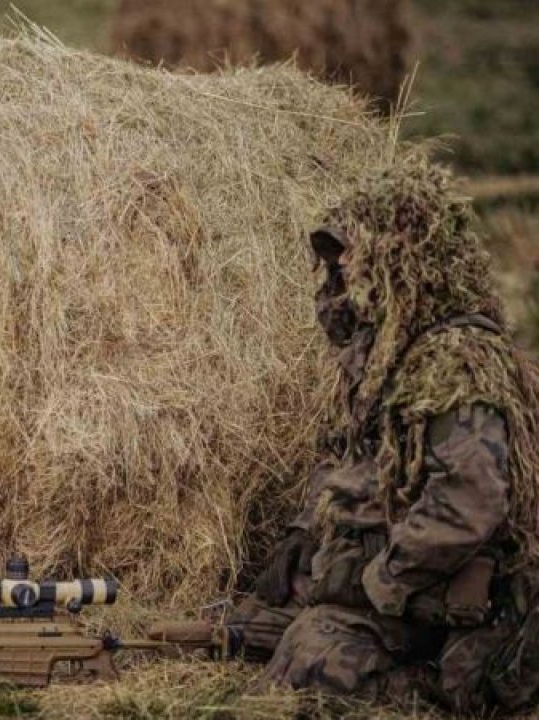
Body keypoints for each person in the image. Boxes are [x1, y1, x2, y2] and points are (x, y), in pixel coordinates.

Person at [226, 164, 539, 711]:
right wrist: (307, 537)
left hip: (465, 605)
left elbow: (469, 504)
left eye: (352, 254)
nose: (342, 271)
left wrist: (379, 580)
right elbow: (352, 465)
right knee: (247, 625)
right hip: (397, 582)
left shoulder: (455, 364)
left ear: (403, 256)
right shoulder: (385, 360)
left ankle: (432, 691)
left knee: (310, 661)